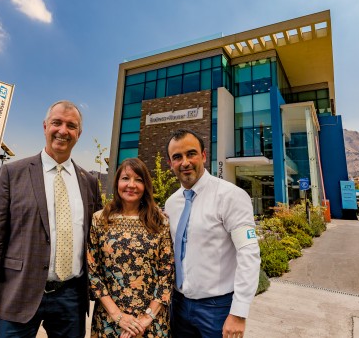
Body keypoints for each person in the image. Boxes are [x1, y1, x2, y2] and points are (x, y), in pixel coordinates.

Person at [0, 100, 102, 337]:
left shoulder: (89, 182)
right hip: (19, 293)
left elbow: (98, 239)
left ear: (79, 133)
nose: (63, 131)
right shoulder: (13, 174)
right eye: (57, 123)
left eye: (71, 126)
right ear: (45, 126)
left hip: (70, 297)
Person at [165, 128, 260, 338]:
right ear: (170, 163)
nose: (185, 162)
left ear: (204, 156)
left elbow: (249, 254)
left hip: (217, 309)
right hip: (178, 305)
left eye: (191, 154)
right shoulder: (171, 204)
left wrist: (239, 312)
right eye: (177, 157)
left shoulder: (231, 196)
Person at [88, 158, 174, 338]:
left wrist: (145, 319)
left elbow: (166, 273)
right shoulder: (100, 219)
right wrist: (117, 316)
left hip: (151, 321)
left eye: (139, 180)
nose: (131, 185)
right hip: (109, 319)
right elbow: (93, 272)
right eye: (125, 178)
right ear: (117, 182)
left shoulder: (159, 222)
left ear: (146, 186)